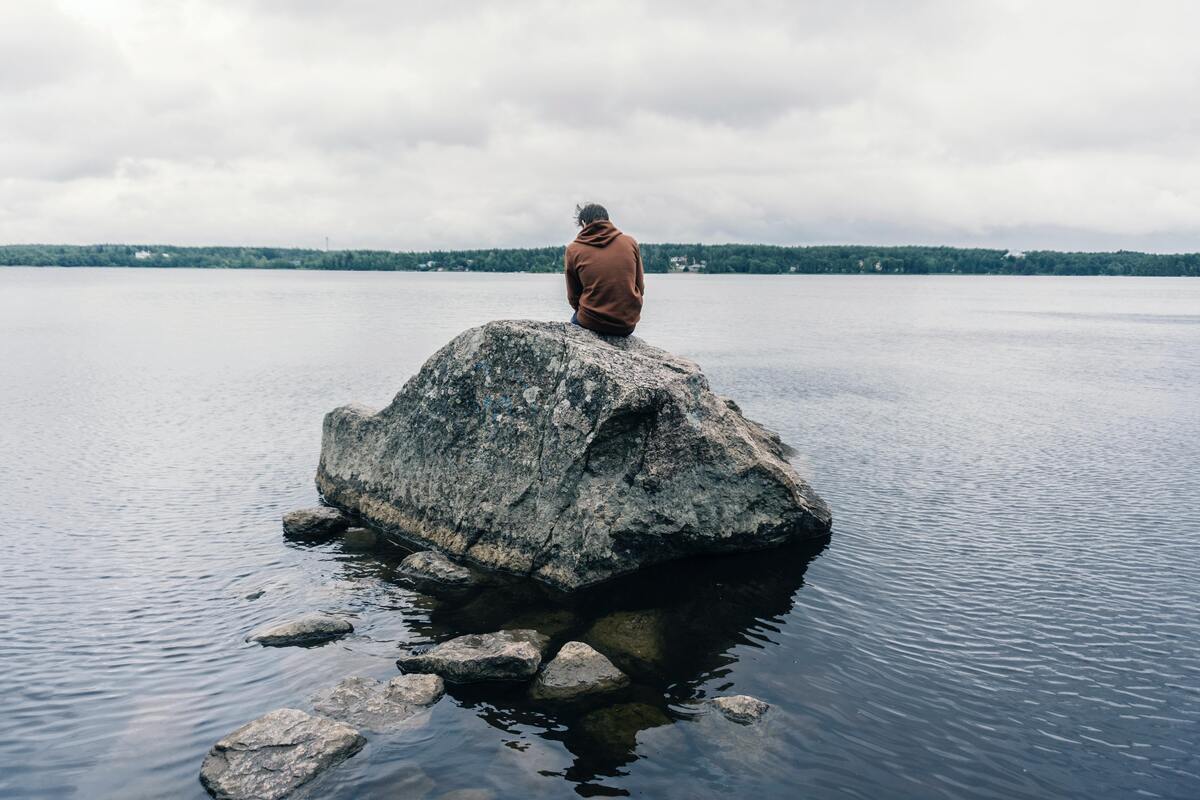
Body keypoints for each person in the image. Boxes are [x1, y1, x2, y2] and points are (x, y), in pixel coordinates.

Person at [564, 203, 644, 336]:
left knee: (573, 327)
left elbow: (573, 297)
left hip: (590, 322)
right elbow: (640, 286)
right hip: (626, 324)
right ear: (607, 220)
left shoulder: (573, 249)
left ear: (583, 223)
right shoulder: (630, 242)